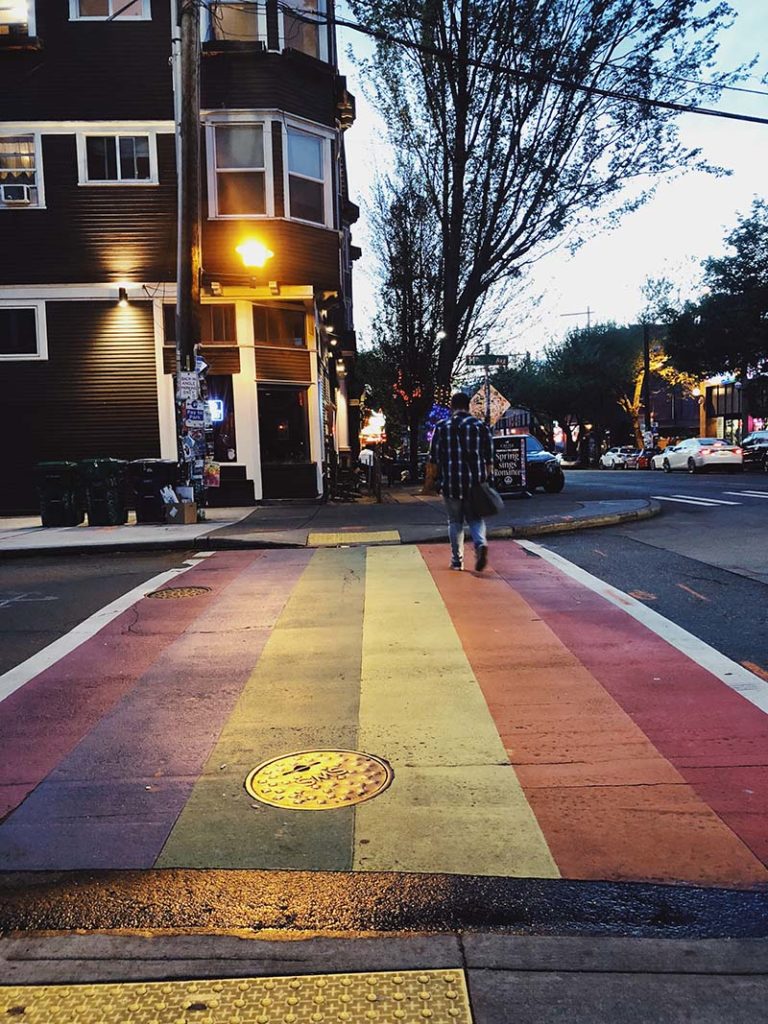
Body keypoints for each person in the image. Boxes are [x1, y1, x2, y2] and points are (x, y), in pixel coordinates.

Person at [428, 392, 494, 572]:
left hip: (451, 482)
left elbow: (433, 459)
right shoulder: (480, 426)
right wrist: (485, 479)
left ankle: (457, 561)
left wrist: (434, 481)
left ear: (451, 406)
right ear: (469, 406)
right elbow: (489, 459)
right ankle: (480, 545)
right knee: (475, 518)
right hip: (475, 483)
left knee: (455, 521)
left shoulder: (441, 427)